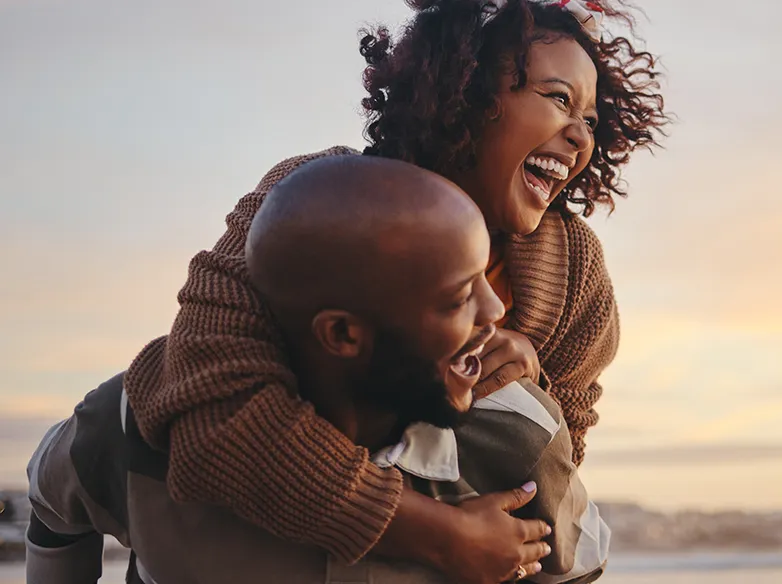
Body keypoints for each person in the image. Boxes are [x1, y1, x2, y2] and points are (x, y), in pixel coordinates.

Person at [123, 0, 666, 583]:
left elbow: (557, 464)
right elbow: (214, 411)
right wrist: (439, 535)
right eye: (557, 99)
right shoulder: (315, 200)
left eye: (589, 120)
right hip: (248, 541)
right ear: (467, 93)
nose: (581, 136)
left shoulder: (574, 270)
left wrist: (531, 382)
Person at [26, 156, 609, 584]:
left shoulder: (518, 437)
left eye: (490, 275)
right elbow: (52, 502)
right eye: (460, 297)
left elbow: (576, 567)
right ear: (343, 333)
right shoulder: (139, 422)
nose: (499, 311)